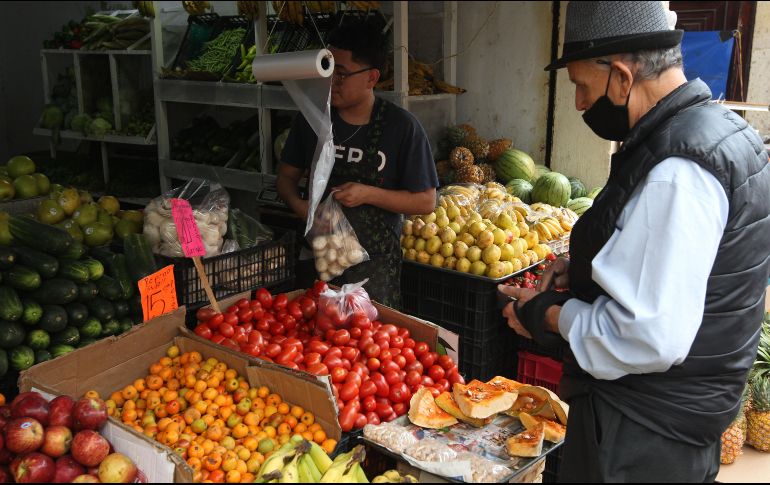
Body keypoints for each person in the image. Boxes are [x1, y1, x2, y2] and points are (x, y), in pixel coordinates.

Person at [498, 1, 770, 482]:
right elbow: (688, 269)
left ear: (622, 77)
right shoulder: (721, 133)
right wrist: (583, 268)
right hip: (679, 419)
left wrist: (547, 315)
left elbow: (646, 336)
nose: (579, 103)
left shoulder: (678, 170)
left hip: (641, 431)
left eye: (582, 86)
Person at [277, 20, 438, 308]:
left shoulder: (401, 127)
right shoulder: (312, 120)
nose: (331, 82)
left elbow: (426, 201)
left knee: (371, 334)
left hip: (374, 272)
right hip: (319, 263)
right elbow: (286, 179)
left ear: (371, 78)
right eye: (327, 70)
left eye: (341, 74)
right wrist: (301, 207)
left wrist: (368, 194)